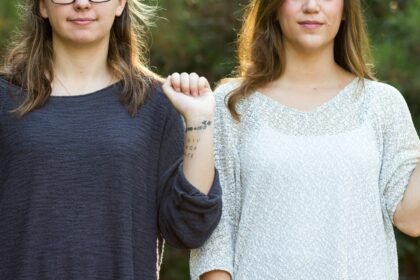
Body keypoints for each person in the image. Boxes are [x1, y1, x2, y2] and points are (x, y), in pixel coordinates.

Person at [187, 0, 420, 279]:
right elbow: (215, 239)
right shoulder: (232, 105)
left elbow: (412, 219)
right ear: (273, 7)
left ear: (346, 9)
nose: (311, 6)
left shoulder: (382, 104)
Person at [0, 0, 222, 279]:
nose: (82, 4)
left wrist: (199, 120)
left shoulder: (157, 104)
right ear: (43, 6)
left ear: (120, 4)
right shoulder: (4, 98)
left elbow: (190, 229)